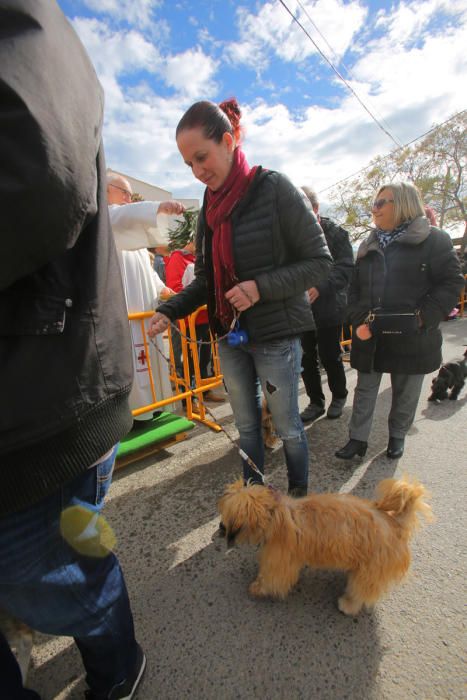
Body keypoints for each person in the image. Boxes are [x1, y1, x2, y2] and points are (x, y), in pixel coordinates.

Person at [0, 2, 146, 698]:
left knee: (69, 572)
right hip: (41, 384)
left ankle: (118, 669)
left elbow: (39, 173)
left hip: (42, 399)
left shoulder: (22, 24)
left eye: (201, 157)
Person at [149, 99, 332, 497]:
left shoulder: (275, 188)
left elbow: (319, 262)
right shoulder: (209, 209)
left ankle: (298, 508)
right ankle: (254, 506)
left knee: (287, 427)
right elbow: (206, 280)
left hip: (277, 334)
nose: (198, 172)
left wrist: (259, 287)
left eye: (202, 157)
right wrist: (169, 309)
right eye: (189, 165)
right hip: (229, 336)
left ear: (229, 141)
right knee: (247, 427)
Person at [335, 182, 464, 461]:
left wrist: (422, 318)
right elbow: (353, 290)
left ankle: (397, 438)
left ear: (404, 203)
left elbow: (452, 282)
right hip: (370, 335)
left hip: (413, 335)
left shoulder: (435, 239)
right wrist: (357, 321)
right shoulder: (368, 244)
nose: (374, 208)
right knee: (365, 389)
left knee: (406, 391)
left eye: (382, 202)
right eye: (374, 203)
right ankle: (357, 440)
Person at [107, 172, 185, 424]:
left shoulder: (134, 237)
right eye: (125, 193)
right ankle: (131, 416)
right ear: (107, 189)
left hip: (145, 314)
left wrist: (164, 289)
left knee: (150, 361)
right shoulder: (105, 219)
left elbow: (147, 274)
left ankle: (153, 408)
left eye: (130, 194)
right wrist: (156, 208)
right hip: (125, 316)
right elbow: (120, 216)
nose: (128, 199)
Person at [299, 186, 354, 422]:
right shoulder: (293, 236)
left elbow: (345, 269)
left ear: (316, 208)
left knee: (330, 354)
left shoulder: (336, 234)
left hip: (330, 305)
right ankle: (315, 401)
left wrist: (320, 287)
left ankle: (339, 395)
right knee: (306, 358)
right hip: (301, 309)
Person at [165, 221, 225, 403]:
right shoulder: (177, 258)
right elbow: (174, 287)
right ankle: (189, 398)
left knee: (204, 356)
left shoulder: (198, 259)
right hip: (189, 319)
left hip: (206, 318)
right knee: (189, 359)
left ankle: (205, 391)